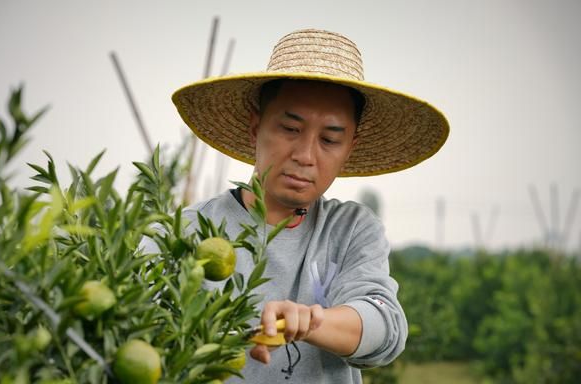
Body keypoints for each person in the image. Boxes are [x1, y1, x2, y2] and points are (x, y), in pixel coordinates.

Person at [167, 29, 449, 383]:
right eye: (289, 128)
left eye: (330, 139)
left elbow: (384, 326)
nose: (305, 156)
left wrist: (311, 321)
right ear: (256, 128)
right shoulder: (184, 233)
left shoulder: (349, 230)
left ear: (350, 147)